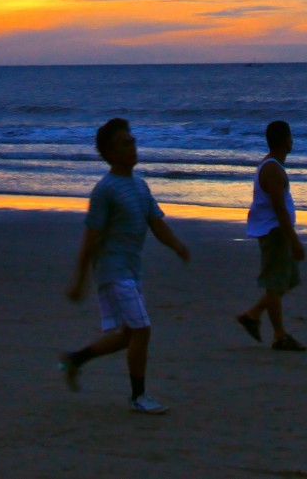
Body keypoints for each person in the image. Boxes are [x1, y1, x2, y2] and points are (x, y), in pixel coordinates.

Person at [60, 117, 190, 415]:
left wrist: (177, 246)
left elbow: (157, 224)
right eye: (125, 144)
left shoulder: (140, 186)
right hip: (113, 271)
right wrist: (80, 280)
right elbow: (90, 240)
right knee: (142, 330)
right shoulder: (105, 190)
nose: (133, 147)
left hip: (132, 271)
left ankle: (75, 359)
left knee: (129, 335)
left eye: (133, 141)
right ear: (109, 153)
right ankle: (138, 396)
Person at [236, 120, 307, 352]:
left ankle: (253, 314)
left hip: (275, 231)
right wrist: (294, 239)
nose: (292, 140)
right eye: (290, 136)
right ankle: (279, 335)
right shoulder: (273, 169)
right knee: (275, 282)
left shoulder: (271, 165)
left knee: (286, 281)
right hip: (275, 233)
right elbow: (279, 208)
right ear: (285, 140)